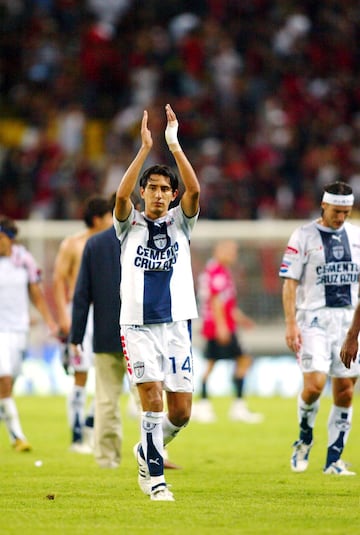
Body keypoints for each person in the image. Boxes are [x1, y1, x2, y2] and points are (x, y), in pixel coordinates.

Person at [113, 103, 200, 501]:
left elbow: (196, 191)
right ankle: (153, 478)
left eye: (166, 189)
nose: (160, 195)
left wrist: (174, 145)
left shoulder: (181, 222)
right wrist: (145, 149)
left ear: (173, 195)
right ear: (143, 193)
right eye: (153, 189)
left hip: (177, 325)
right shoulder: (128, 223)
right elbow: (118, 195)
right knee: (151, 400)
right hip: (137, 325)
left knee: (180, 412)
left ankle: (149, 448)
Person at [279, 181, 360, 475]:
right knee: (313, 387)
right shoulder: (303, 236)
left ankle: (334, 460)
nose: (341, 218)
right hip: (313, 319)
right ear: (323, 206)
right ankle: (303, 438)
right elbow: (290, 284)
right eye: (337, 212)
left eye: (346, 212)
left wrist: (354, 334)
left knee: (346, 393)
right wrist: (290, 323)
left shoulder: (356, 236)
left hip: (349, 322)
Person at [53, 195, 113, 453]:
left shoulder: (114, 242)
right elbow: (58, 281)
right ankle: (77, 436)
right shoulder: (73, 244)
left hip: (105, 314)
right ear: (99, 218)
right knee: (81, 375)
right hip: (79, 314)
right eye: (110, 216)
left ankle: (89, 427)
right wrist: (64, 317)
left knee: (107, 373)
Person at [69, 219, 126, 469]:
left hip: (105, 335)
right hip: (140, 335)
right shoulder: (143, 238)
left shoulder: (94, 244)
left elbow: (82, 294)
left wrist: (76, 336)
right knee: (149, 399)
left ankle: (106, 459)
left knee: (105, 400)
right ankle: (156, 454)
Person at [0, 215, 58, 451]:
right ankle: (18, 437)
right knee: (3, 378)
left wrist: (49, 321)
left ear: (10, 239)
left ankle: (12, 426)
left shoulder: (23, 259)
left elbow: (35, 293)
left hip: (19, 329)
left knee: (9, 381)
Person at [193, 239, 263, 424]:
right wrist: (222, 326)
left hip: (220, 325)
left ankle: (206, 404)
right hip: (218, 327)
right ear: (219, 251)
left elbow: (227, 303)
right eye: (231, 251)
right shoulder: (216, 272)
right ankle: (230, 406)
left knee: (214, 363)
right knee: (240, 360)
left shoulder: (220, 271)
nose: (233, 255)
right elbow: (216, 301)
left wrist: (242, 319)